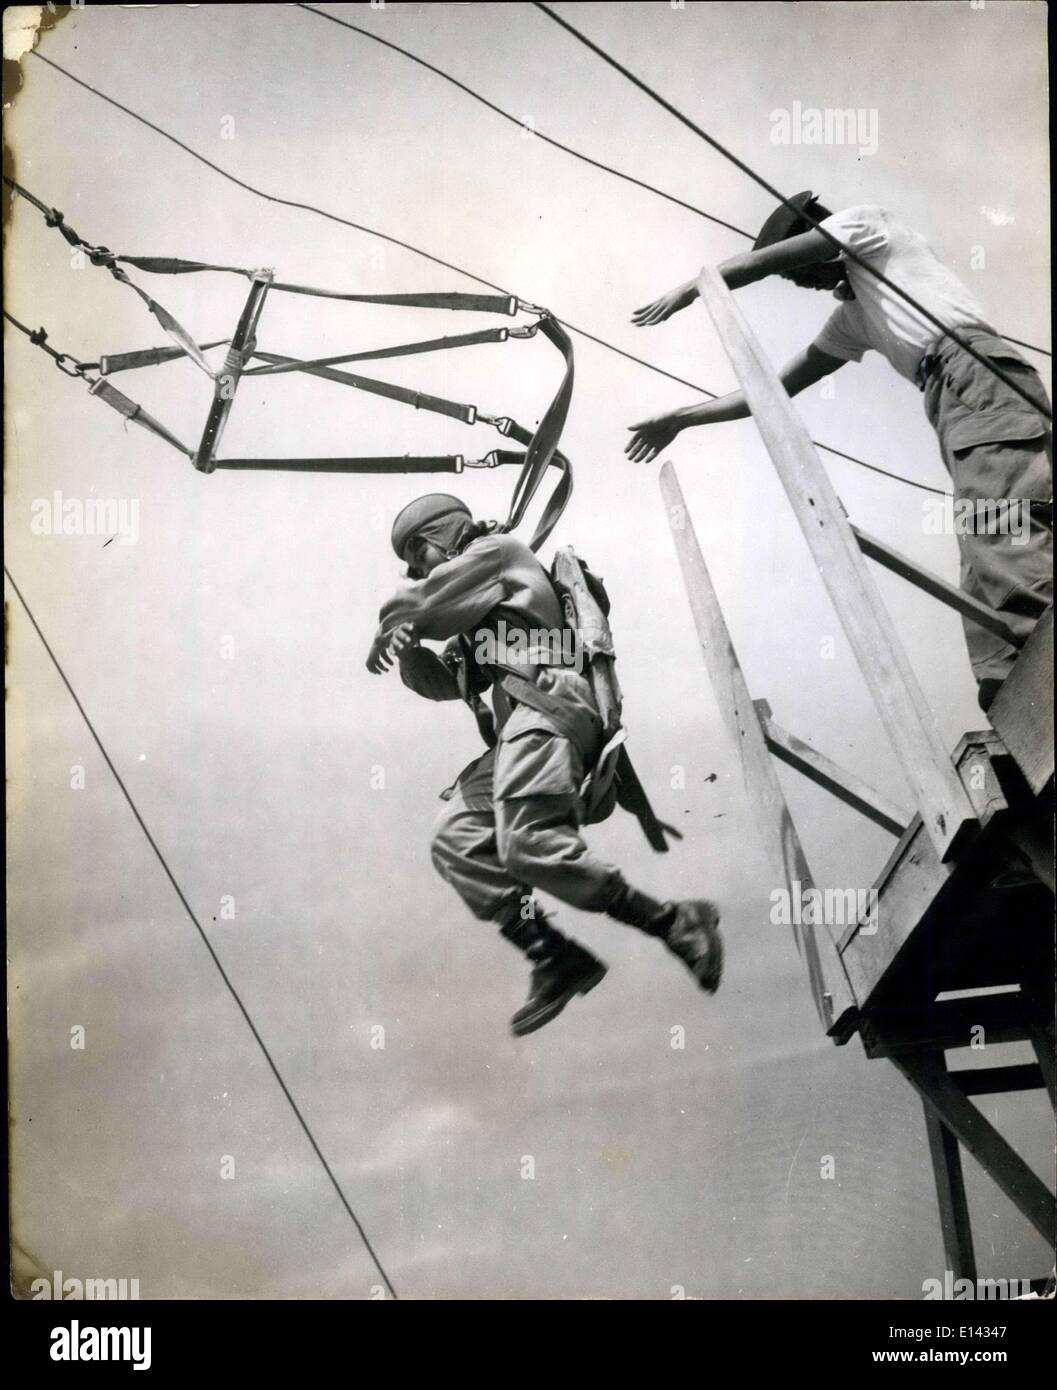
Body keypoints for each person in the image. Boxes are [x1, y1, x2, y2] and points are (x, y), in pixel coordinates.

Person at [626, 192, 1052, 711]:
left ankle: (1044, 664)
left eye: (802, 269)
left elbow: (759, 264)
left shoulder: (868, 225)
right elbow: (772, 388)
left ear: (813, 238)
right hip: (948, 395)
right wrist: (680, 419)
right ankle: (1008, 691)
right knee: (979, 547)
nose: (805, 284)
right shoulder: (854, 317)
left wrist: (694, 288)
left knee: (1000, 519)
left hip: (973, 370)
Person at [365, 492, 723, 1036]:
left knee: (526, 843)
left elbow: (417, 604)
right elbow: (441, 681)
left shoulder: (495, 553)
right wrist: (409, 648)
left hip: (550, 706)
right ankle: (552, 954)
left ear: (432, 540)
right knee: (455, 837)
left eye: (418, 559)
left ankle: (674, 921)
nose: (418, 570)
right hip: (522, 730)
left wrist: (396, 621)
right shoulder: (476, 608)